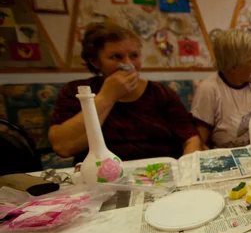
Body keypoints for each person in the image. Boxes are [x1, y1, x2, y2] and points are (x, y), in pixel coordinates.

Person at [50, 22, 200, 163]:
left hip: (161, 174)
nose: (128, 64)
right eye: (116, 57)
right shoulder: (77, 92)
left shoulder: (160, 93)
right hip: (103, 178)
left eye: (134, 56)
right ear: (95, 62)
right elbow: (63, 147)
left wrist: (186, 171)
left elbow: (191, 139)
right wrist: (107, 96)